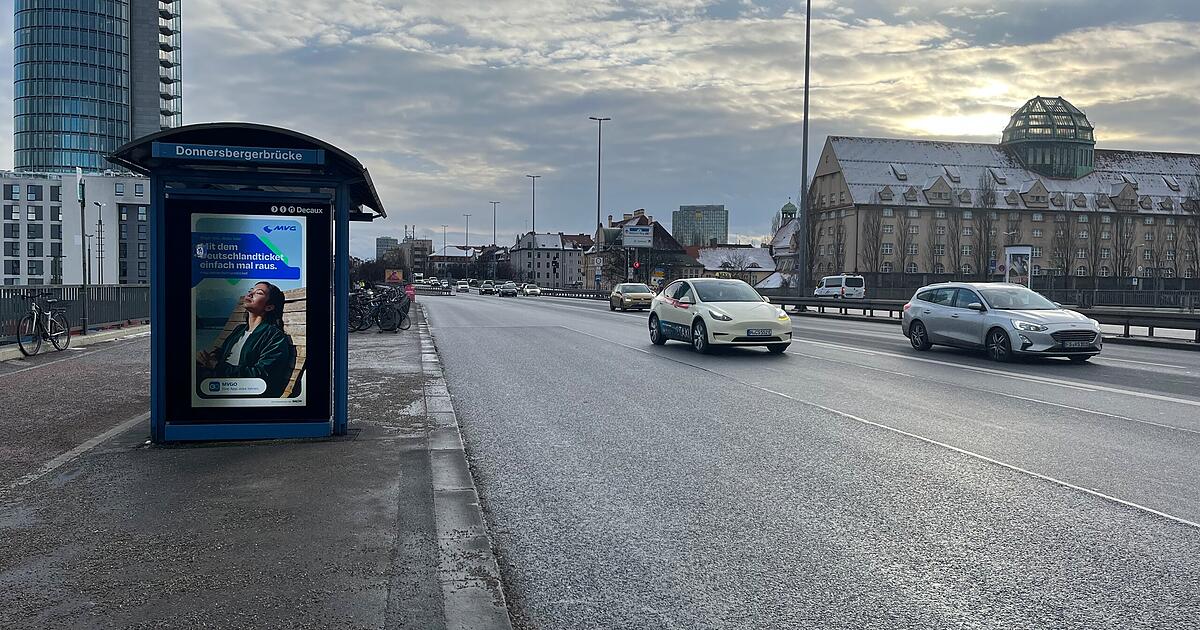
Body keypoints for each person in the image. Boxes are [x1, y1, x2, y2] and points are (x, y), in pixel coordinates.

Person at [197, 281, 296, 398]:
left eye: (258, 293)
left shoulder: (274, 336)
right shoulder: (239, 330)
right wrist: (208, 358)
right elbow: (221, 352)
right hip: (219, 383)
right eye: (250, 291)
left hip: (240, 392)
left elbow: (261, 375)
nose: (250, 294)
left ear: (269, 307)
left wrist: (216, 366)